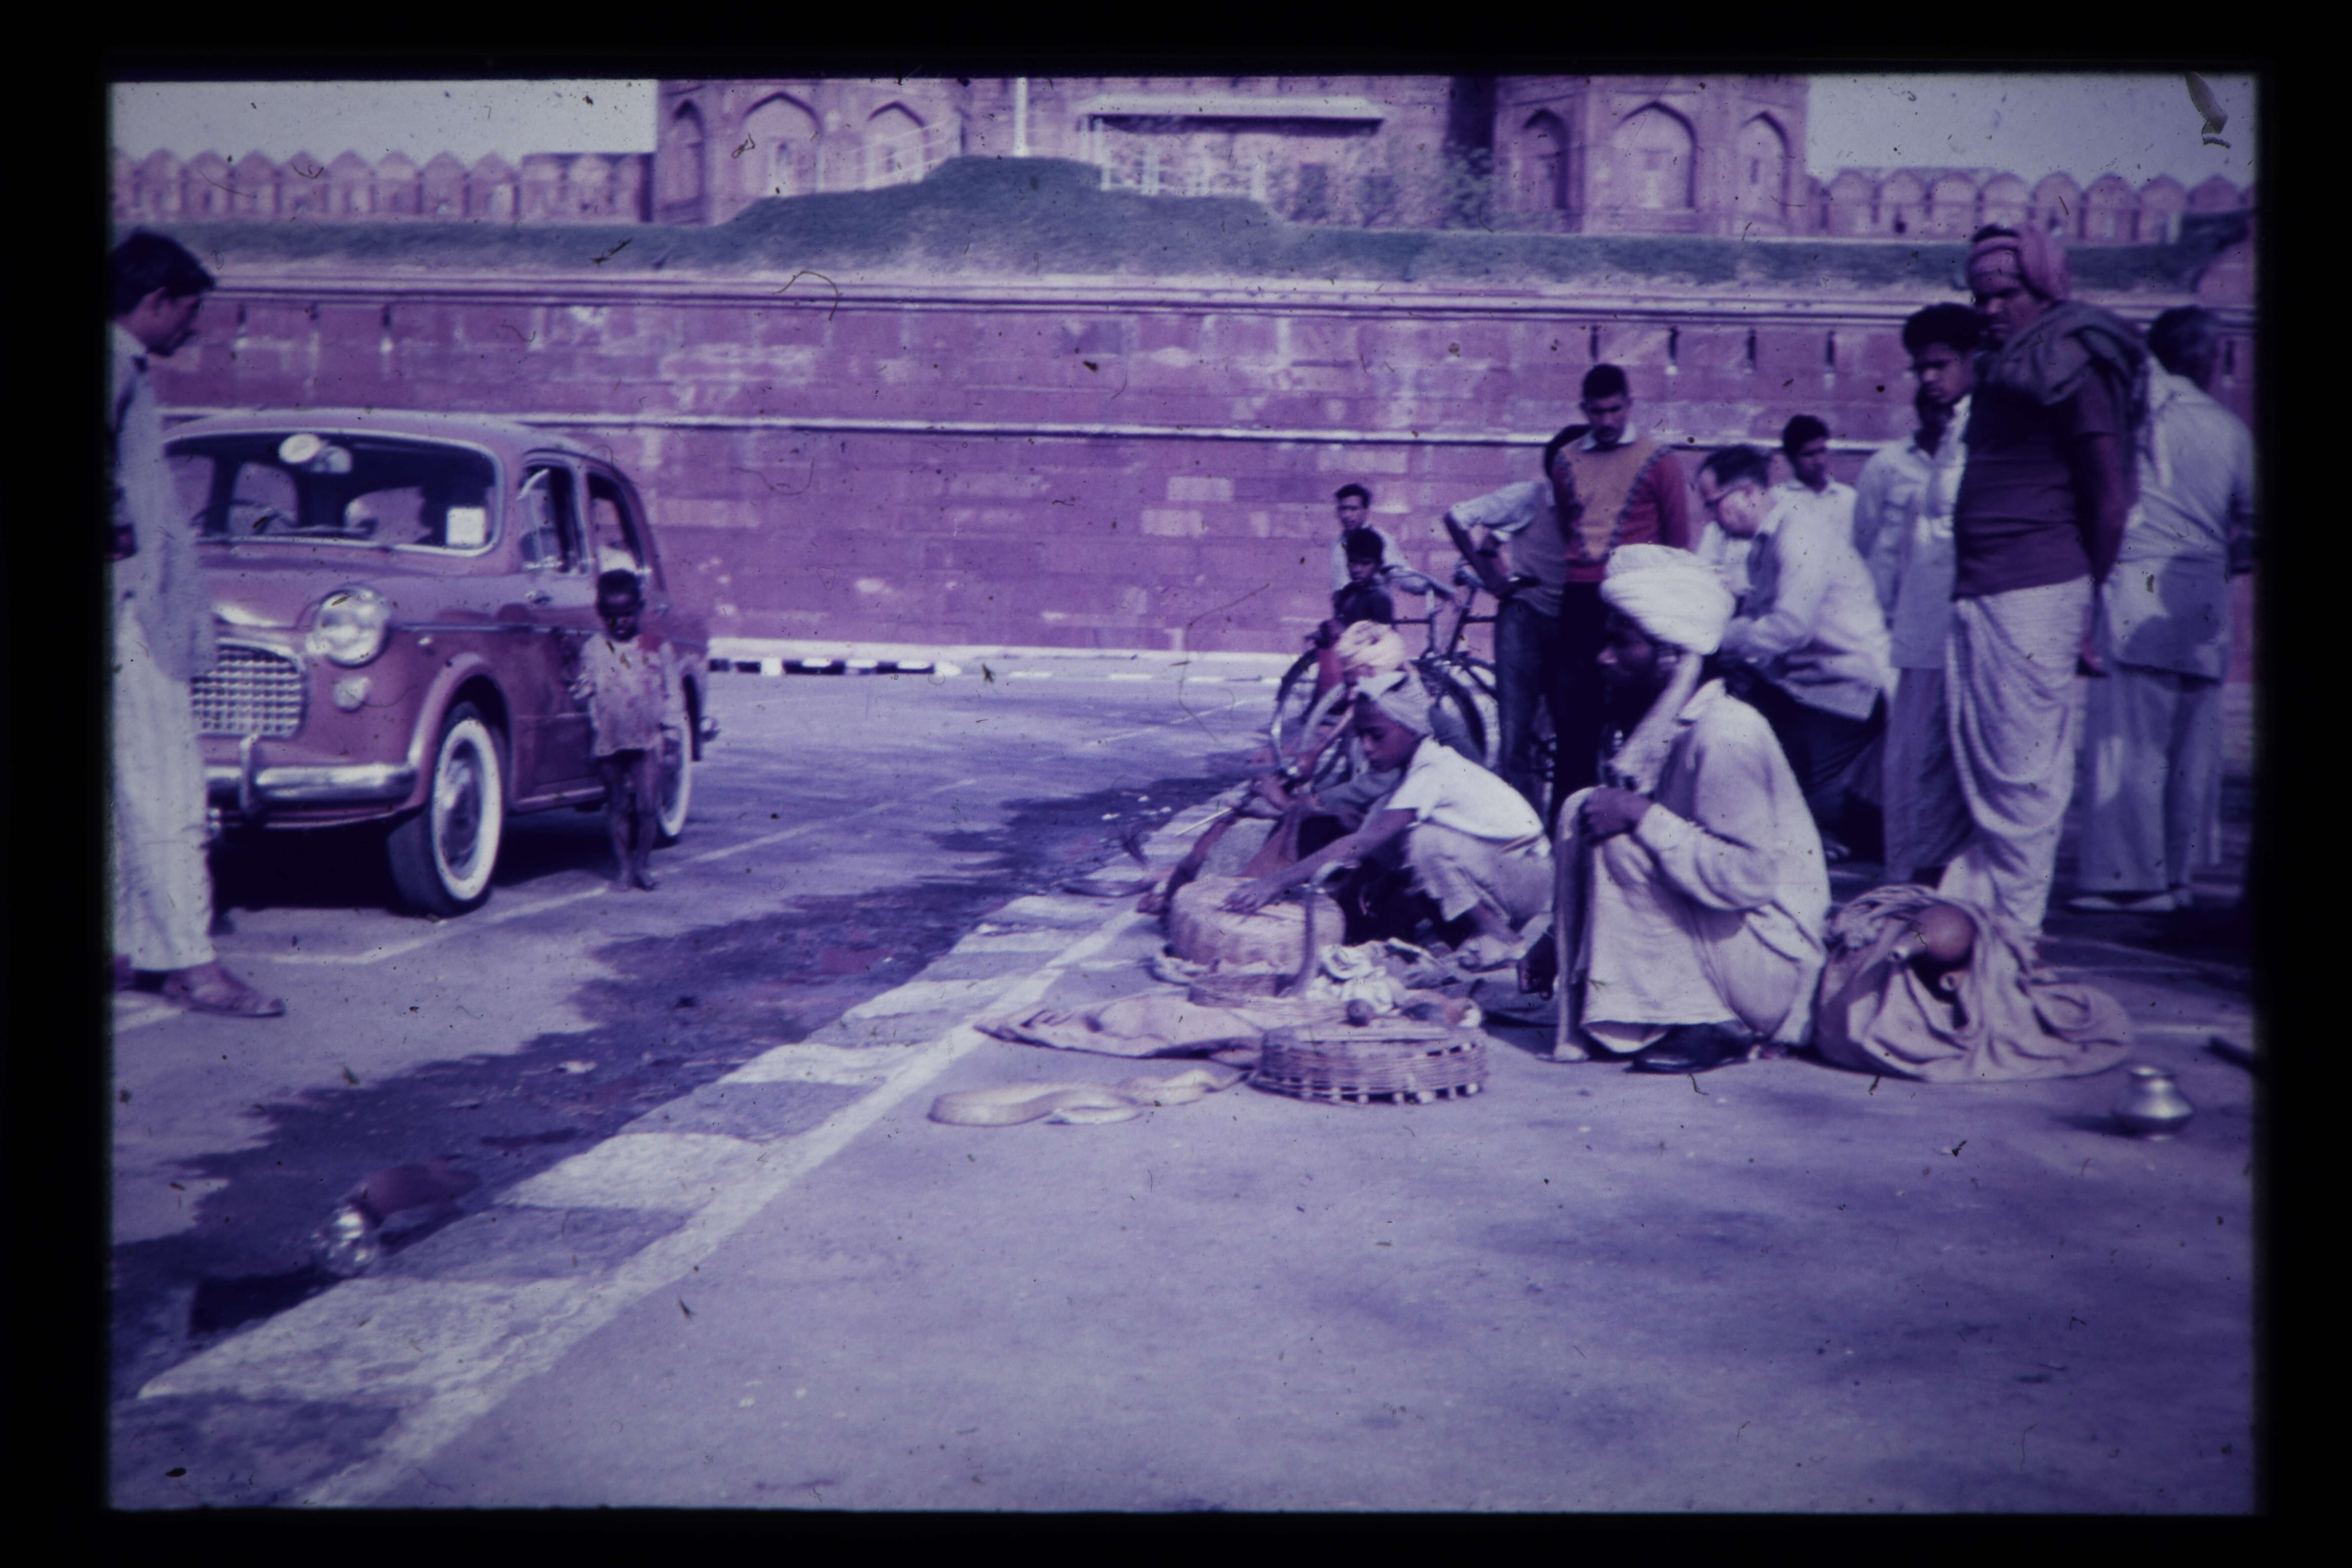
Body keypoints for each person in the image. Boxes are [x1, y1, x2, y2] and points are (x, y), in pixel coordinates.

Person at [1526, 545, 1830, 1074]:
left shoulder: (1726, 732)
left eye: (1623, 644)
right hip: (1727, 943)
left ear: (1671, 654)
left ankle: (1707, 1022)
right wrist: (1559, 936)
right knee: (1584, 809)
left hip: (1772, 967)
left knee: (1622, 834)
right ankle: (1635, 1010)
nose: (1604, 658)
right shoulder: (1663, 728)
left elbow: (1750, 878)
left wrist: (1644, 817)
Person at [1941, 224, 2145, 933]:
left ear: (2045, 287)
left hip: (2033, 591)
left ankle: (2014, 947)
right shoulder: (2011, 362)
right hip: (1983, 588)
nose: (1991, 309)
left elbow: (2110, 500)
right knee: (1987, 778)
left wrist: (2085, 603)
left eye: (2006, 294)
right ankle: (1985, 941)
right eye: (1980, 297)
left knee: (2021, 783)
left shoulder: (2073, 360)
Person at [109, 231, 284, 1017]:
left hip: (125, 603)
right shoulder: (117, 362)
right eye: (188, 311)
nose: (193, 328)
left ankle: (125, 945)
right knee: (167, 786)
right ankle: (191, 962)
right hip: (134, 610)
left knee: (121, 790)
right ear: (155, 302)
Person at [2071, 306, 2254, 914]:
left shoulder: (2136, 418)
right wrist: (2221, 561)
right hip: (2202, 600)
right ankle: (2176, 878)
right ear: (2207, 359)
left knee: (2130, 746)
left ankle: (2128, 881)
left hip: (2136, 590)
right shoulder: (2232, 430)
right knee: (2190, 752)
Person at [1445, 364, 1691, 810]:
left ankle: (1642, 817)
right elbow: (1571, 531)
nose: (1607, 420)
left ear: (1629, 405)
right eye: (1597, 412)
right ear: (1584, 410)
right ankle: (1568, 826)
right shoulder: (1565, 462)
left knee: (1639, 717)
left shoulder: (1660, 460)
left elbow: (1678, 542)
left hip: (1636, 603)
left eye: (1615, 409)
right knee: (1574, 724)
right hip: (1581, 603)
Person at [1223, 682, 1551, 972]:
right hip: (1507, 871)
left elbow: (1360, 843)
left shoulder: (1433, 771)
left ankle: (1501, 937)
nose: (1367, 747)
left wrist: (1275, 883)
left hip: (1529, 879)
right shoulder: (1414, 772)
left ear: (1412, 729)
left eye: (1377, 735)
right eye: (1361, 736)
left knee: (1425, 843)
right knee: (1390, 837)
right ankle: (1467, 934)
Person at [1697, 444, 1892, 861]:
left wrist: (1719, 640)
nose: (1711, 518)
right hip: (1803, 683)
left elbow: (1790, 626)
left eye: (1714, 504)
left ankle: (1797, 842)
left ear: (1747, 493)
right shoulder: (1764, 541)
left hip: (1846, 689)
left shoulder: (1798, 533)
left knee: (1764, 772)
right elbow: (1760, 620)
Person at [1861, 305, 1980, 886]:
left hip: (1960, 633)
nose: (1929, 378)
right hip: (1914, 633)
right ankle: (1907, 891)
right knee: (1908, 767)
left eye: (1942, 365)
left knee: (1942, 773)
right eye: (1921, 368)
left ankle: (1936, 899)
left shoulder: (1985, 431)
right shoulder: (1930, 444)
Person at [570, 569, 683, 891]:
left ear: (640, 609)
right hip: (610, 738)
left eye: (628, 614)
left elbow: (673, 694)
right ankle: (623, 868)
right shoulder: (594, 648)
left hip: (647, 739)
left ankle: (643, 865)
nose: (620, 623)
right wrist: (575, 683)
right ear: (600, 613)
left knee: (647, 806)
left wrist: (672, 734)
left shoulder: (656, 646)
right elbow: (583, 691)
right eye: (611, 616)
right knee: (617, 805)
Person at [1329, 483, 1437, 602]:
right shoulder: (1337, 543)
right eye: (1343, 509)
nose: (1347, 515)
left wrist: (1431, 587)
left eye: (1353, 509)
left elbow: (1402, 576)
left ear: (1366, 510)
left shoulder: (1381, 539)